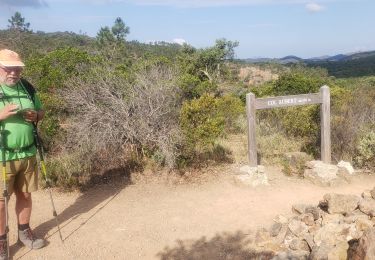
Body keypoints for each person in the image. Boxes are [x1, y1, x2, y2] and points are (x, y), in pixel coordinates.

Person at [0, 49, 46, 259]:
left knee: (25, 195)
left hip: (28, 153)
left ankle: (24, 232)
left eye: (17, 68)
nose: (13, 72)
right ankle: (1, 241)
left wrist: (36, 115)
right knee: (1, 201)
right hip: (2, 157)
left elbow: (41, 111)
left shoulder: (27, 88)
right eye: (8, 68)